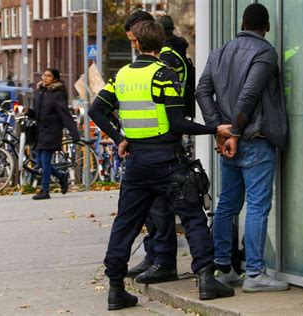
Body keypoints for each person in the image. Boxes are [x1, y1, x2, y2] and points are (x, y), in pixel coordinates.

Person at [88, 20, 234, 311]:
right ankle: (206, 279)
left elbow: (96, 110)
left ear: (136, 44)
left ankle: (115, 289)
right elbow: (178, 122)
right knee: (192, 217)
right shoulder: (164, 75)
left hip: (138, 163)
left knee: (125, 223)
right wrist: (214, 129)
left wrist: (120, 137)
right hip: (168, 159)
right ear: (161, 45)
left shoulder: (122, 76)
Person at [195, 3, 289, 293]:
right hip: (254, 139)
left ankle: (224, 268)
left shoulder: (219, 52)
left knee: (227, 204)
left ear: (242, 23)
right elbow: (249, 93)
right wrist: (232, 132)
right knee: (258, 206)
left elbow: (202, 91)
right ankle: (255, 274)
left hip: (230, 142)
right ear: (267, 26)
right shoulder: (265, 52)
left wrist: (219, 130)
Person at [122, 10, 186, 285]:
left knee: (161, 208)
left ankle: (163, 261)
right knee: (151, 208)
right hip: (147, 143)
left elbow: (168, 104)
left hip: (161, 144)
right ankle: (153, 255)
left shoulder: (166, 61)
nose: (133, 46)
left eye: (133, 40)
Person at [25, 68, 80, 200]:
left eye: (48, 76)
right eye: (44, 76)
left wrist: (74, 133)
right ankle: (61, 176)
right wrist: (30, 112)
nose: (45, 78)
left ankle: (45, 191)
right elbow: (40, 113)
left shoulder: (57, 94)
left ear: (54, 79)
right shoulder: (40, 92)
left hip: (52, 130)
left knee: (45, 161)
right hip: (40, 131)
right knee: (39, 163)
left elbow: (64, 114)